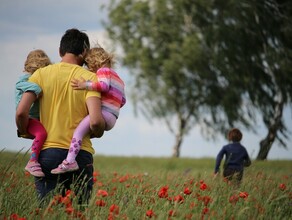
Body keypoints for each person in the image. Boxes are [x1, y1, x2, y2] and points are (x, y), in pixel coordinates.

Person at [15, 28, 105, 205]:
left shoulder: (40, 75)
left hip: (47, 154)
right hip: (80, 156)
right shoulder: (90, 79)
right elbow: (95, 121)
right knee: (78, 213)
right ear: (84, 52)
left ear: (60, 51)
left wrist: (24, 130)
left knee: (48, 212)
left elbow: (21, 112)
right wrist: (100, 130)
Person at [51, 46, 126, 174]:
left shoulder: (103, 71)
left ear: (94, 62)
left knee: (78, 132)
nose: (88, 69)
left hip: (104, 114)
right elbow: (123, 101)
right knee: (85, 132)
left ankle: (70, 161)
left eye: (88, 65)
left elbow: (103, 86)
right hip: (113, 117)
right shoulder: (119, 79)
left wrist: (84, 85)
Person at [15, 49, 51, 177]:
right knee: (41, 133)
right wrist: (37, 89)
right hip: (29, 118)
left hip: (35, 117)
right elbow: (21, 86)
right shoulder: (26, 79)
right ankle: (32, 161)